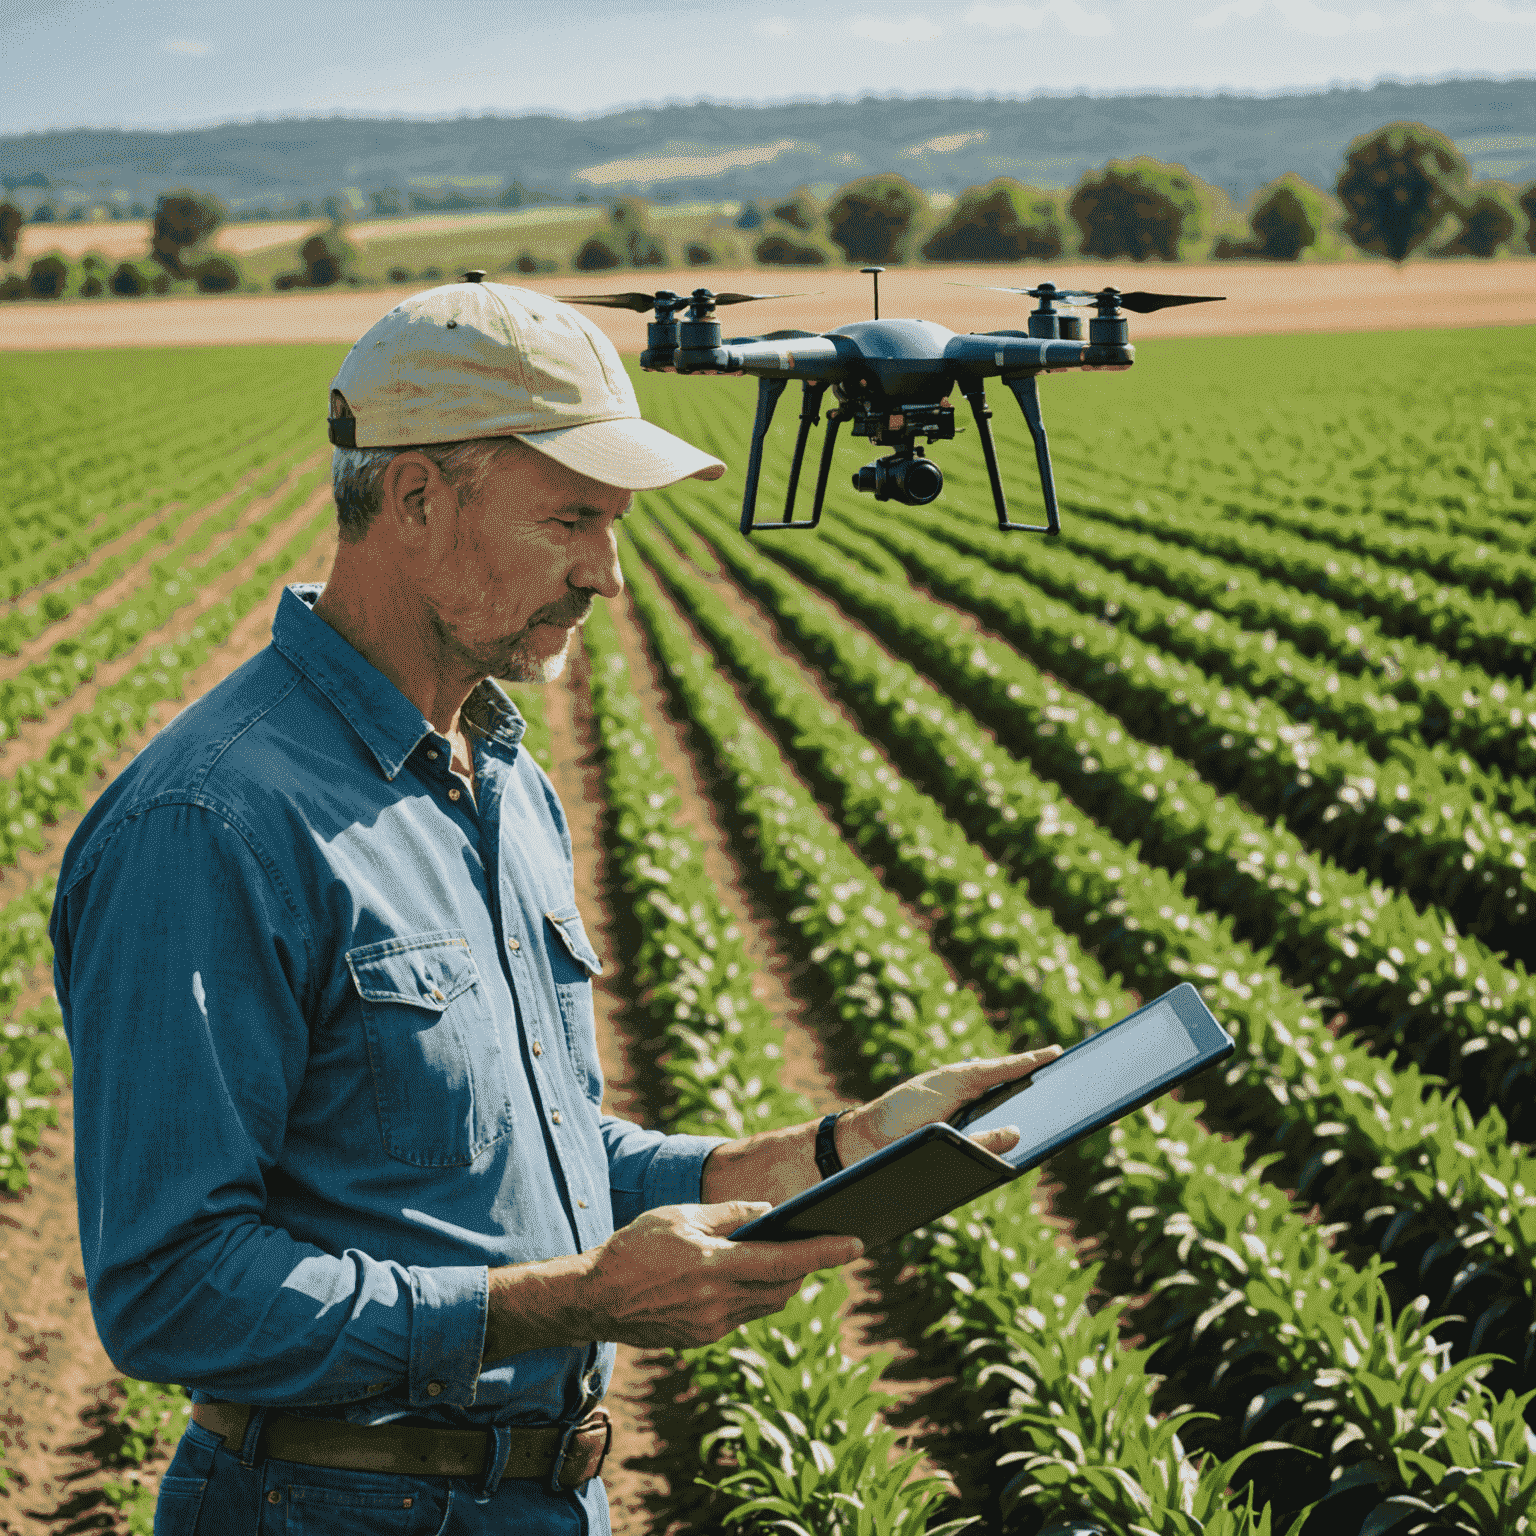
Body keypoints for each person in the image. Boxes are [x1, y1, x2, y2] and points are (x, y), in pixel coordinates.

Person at [50, 275, 1060, 1535]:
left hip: (536, 1501)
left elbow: (540, 1157)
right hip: (329, 1506)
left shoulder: (500, 782)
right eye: (573, 519)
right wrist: (576, 1301)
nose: (610, 574)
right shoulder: (212, 823)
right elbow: (173, 1294)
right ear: (415, 497)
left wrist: (832, 1155)